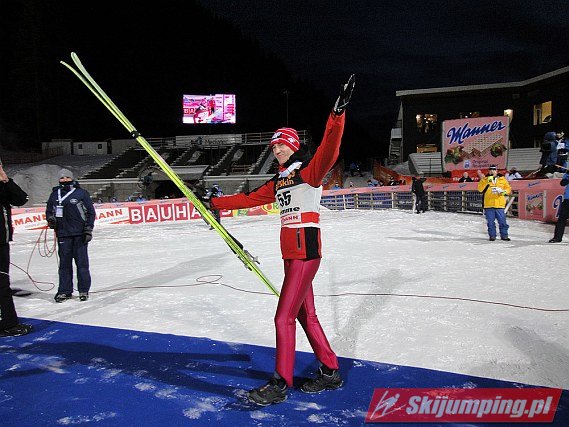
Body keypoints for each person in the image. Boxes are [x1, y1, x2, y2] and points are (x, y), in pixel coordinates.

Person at [207, 74, 354, 406]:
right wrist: (213, 203)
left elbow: (330, 149)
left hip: (305, 251)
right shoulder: (279, 180)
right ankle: (330, 370)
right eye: (274, 145)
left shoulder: (308, 172)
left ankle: (279, 383)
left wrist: (337, 114)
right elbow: (249, 199)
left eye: (283, 143)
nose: (277, 148)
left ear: (294, 146)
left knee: (282, 317)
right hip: (292, 253)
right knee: (305, 315)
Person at [46, 169, 96, 302]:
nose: (65, 180)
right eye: (62, 178)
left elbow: (91, 212)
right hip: (63, 234)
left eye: (67, 177)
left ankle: (83, 290)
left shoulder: (81, 193)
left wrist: (88, 229)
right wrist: (51, 219)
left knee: (82, 264)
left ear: (72, 178)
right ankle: (64, 291)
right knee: (64, 265)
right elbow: (49, 210)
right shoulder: (54, 194)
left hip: (79, 234)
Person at [0, 164, 32, 337]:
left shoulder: (3, 186)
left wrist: (6, 181)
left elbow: (22, 199)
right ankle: (7, 324)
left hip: (2, 242)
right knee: (2, 284)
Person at [477, 165, 511, 241]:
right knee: (490, 222)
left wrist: (503, 192)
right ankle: (492, 236)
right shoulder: (484, 179)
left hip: (500, 205)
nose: (492, 171)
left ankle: (504, 236)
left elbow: (508, 189)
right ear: (488, 171)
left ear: (496, 171)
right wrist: (487, 182)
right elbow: (480, 189)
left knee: (502, 221)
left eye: (494, 170)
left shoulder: (503, 180)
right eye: (490, 170)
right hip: (489, 204)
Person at [548, 169, 569, 243]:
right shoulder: (567, 174)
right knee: (561, 219)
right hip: (567, 199)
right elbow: (562, 183)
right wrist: (567, 177)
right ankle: (557, 237)